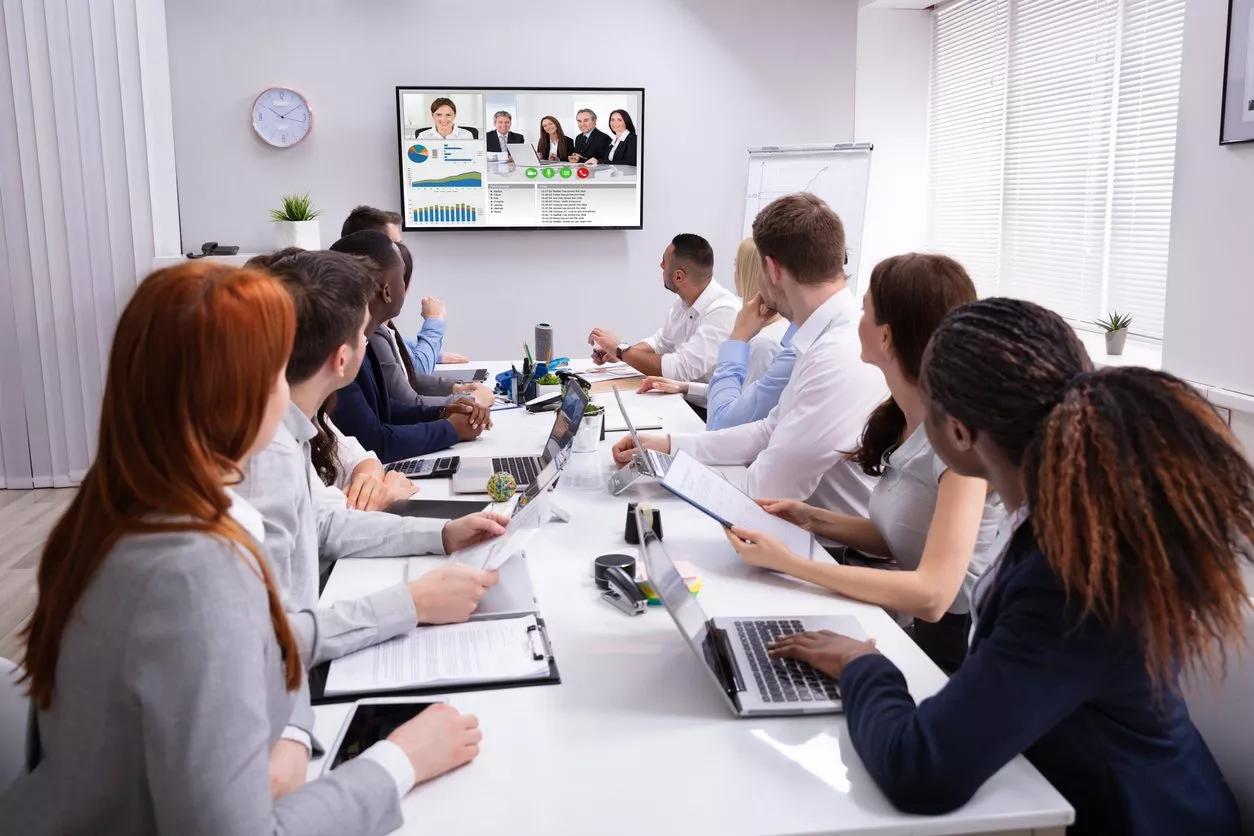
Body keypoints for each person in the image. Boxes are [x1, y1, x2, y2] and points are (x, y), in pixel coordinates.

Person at [0, 262, 483, 833]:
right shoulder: (193, 564)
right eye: (276, 371)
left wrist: (410, 599)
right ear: (238, 393)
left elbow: (262, 644)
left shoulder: (129, 507)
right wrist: (400, 760)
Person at [768, 298, 1249, 833]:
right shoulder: (1056, 518)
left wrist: (863, 666)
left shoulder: (1067, 578)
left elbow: (919, 770)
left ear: (958, 432)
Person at [723, 254, 1002, 673]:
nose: (856, 318)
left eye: (865, 310)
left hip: (960, 652)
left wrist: (792, 564)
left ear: (886, 337)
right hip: (929, 634)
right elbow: (901, 535)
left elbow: (933, 594)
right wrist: (811, 517)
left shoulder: (958, 443)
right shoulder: (906, 418)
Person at [239, 249, 504, 675]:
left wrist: (444, 534)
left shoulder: (292, 427)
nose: (373, 338)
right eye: (365, 331)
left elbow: (324, 525)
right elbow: (267, 645)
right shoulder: (264, 459)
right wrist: (411, 604)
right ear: (342, 358)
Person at [613, 195, 887, 515]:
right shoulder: (821, 335)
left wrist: (675, 469)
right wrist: (669, 446)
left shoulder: (834, 355)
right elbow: (766, 431)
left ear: (771, 269)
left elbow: (763, 489)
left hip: (837, 551)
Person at [328, 231, 488, 463]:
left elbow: (385, 410)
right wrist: (451, 430)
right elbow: (374, 441)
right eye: (402, 277)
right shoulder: (341, 352)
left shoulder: (365, 338)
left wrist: (445, 412)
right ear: (387, 291)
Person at [637, 238, 797, 430]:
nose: (734, 272)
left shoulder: (763, 343)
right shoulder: (773, 328)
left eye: (736, 264)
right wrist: (685, 387)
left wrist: (737, 338)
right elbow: (742, 394)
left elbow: (727, 422)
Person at [587, 233, 738, 381]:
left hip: (703, 406)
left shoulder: (723, 312)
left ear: (679, 277)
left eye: (664, 262)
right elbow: (661, 343)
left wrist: (621, 351)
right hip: (681, 397)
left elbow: (681, 370)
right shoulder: (683, 302)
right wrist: (616, 352)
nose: (661, 265)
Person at [339, 205, 470, 369]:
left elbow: (394, 343)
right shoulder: (366, 328)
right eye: (395, 246)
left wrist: (433, 355)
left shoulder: (373, 322)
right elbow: (416, 371)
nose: (401, 254)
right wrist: (434, 321)